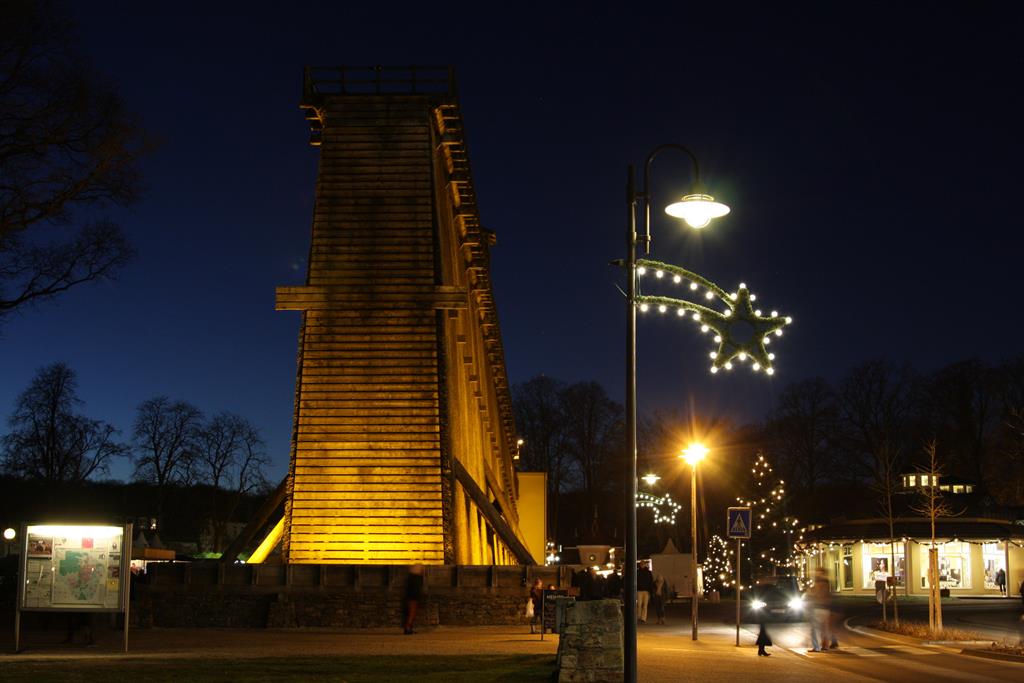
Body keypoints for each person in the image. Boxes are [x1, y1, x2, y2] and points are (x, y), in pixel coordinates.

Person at [807, 568, 836, 652]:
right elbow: (830, 595)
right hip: (825, 607)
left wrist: (811, 592)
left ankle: (817, 647)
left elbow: (816, 594)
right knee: (824, 628)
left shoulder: (819, 583)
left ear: (821, 573)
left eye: (818, 572)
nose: (816, 573)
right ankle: (825, 646)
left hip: (818, 607)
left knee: (815, 629)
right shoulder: (828, 583)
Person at [402, 564, 424, 634]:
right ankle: (408, 628)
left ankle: (409, 628)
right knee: (412, 613)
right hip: (413, 597)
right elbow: (416, 589)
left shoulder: (411, 578)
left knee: (410, 613)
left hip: (411, 597)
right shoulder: (416, 578)